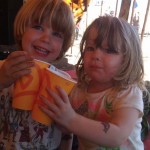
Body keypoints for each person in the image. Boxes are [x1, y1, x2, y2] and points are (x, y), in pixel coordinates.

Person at [40, 16, 146, 150]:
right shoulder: (78, 90)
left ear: (127, 58)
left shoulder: (128, 93)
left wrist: (71, 119)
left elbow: (117, 136)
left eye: (109, 50)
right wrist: (62, 119)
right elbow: (67, 129)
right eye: (90, 48)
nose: (96, 55)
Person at [0, 0, 75, 149]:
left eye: (56, 34)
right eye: (38, 27)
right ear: (22, 30)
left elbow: (67, 135)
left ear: (62, 46)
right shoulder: (3, 68)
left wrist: (67, 120)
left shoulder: (64, 82)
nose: (46, 39)